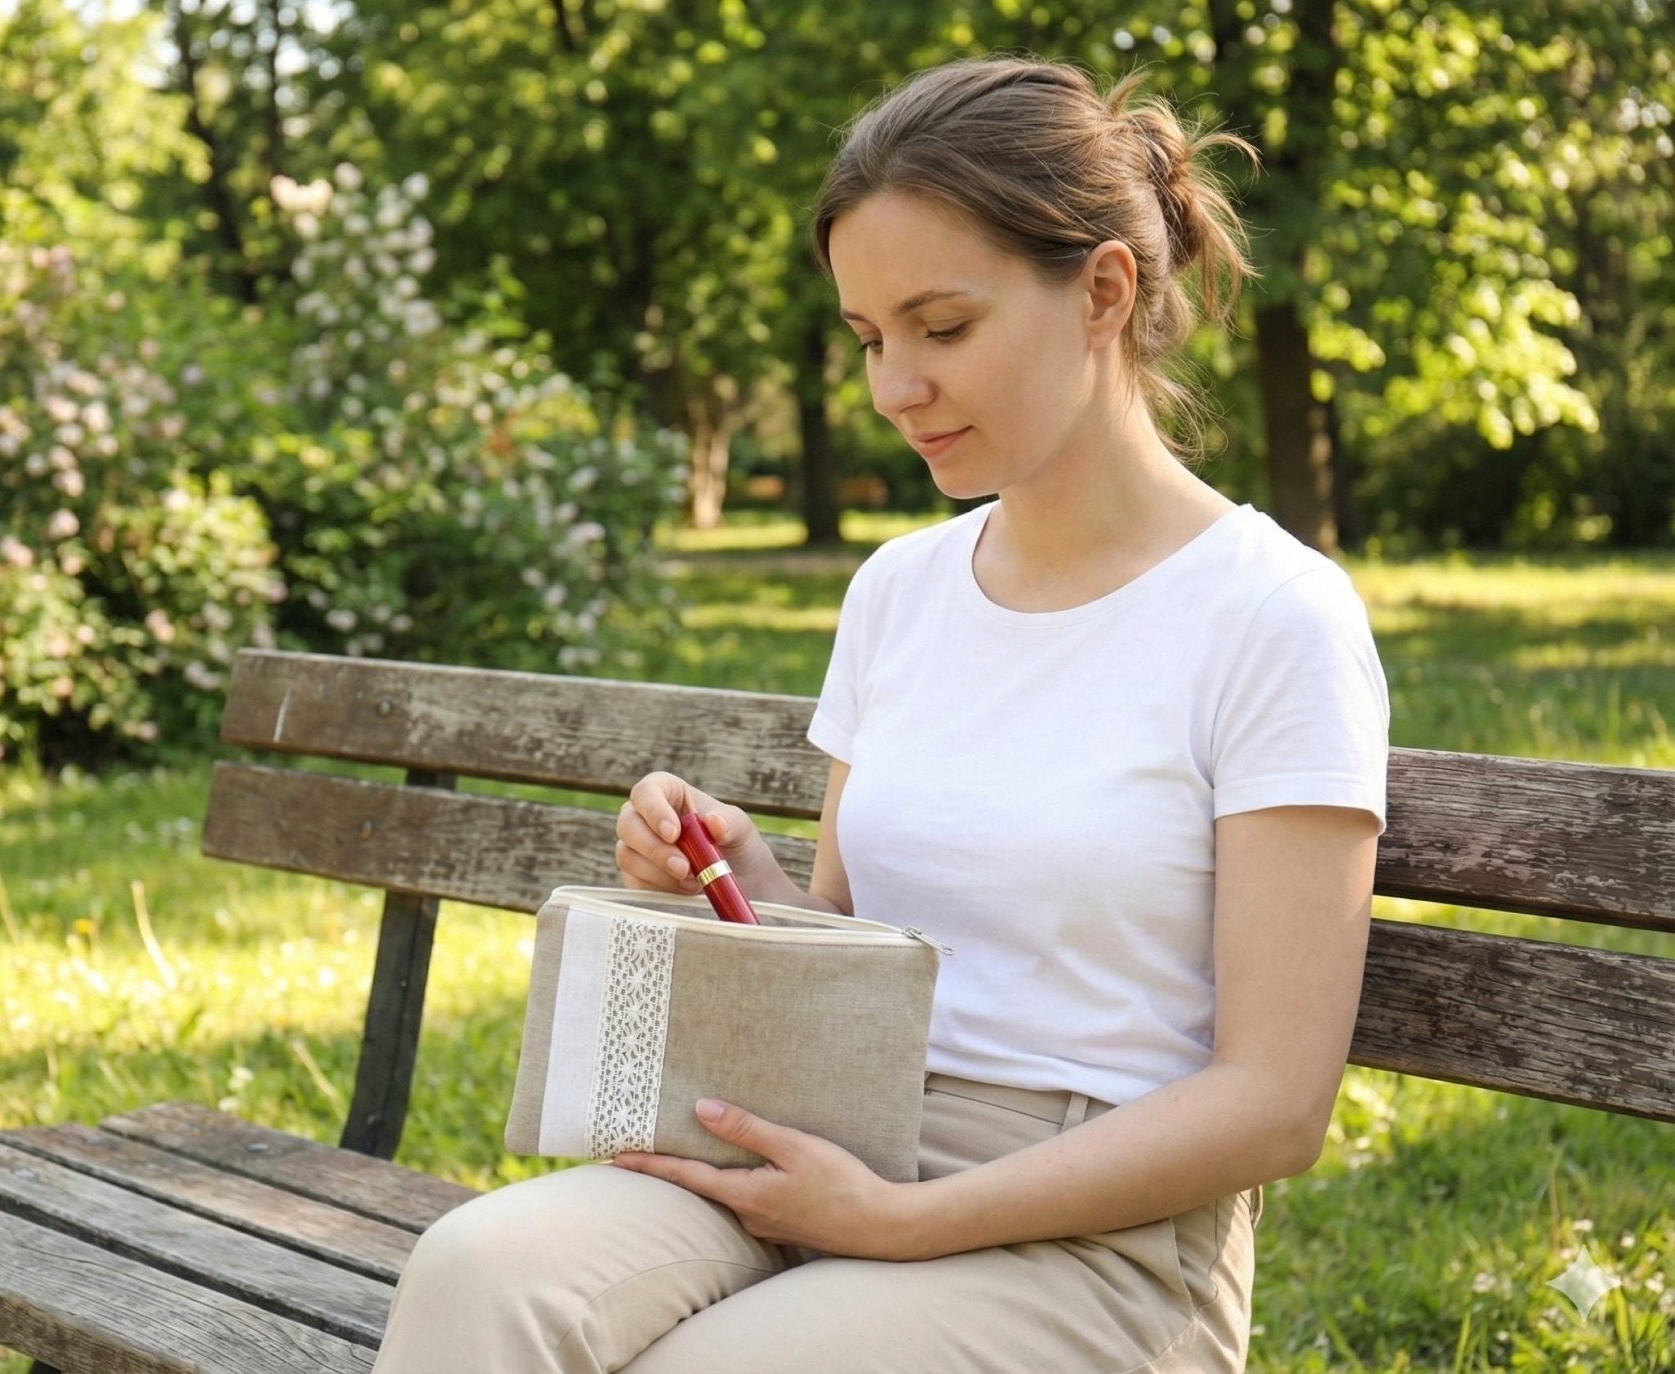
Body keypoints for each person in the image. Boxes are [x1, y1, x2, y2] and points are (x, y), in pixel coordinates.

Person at [370, 54, 1389, 1374]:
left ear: (1103, 290)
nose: (892, 386)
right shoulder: (901, 591)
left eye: (941, 326)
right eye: (867, 338)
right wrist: (742, 881)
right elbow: (857, 947)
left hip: (1105, 1239)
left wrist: (902, 1221)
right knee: (479, 1274)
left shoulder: (1273, 618)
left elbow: (1274, 1105)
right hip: (842, 1140)